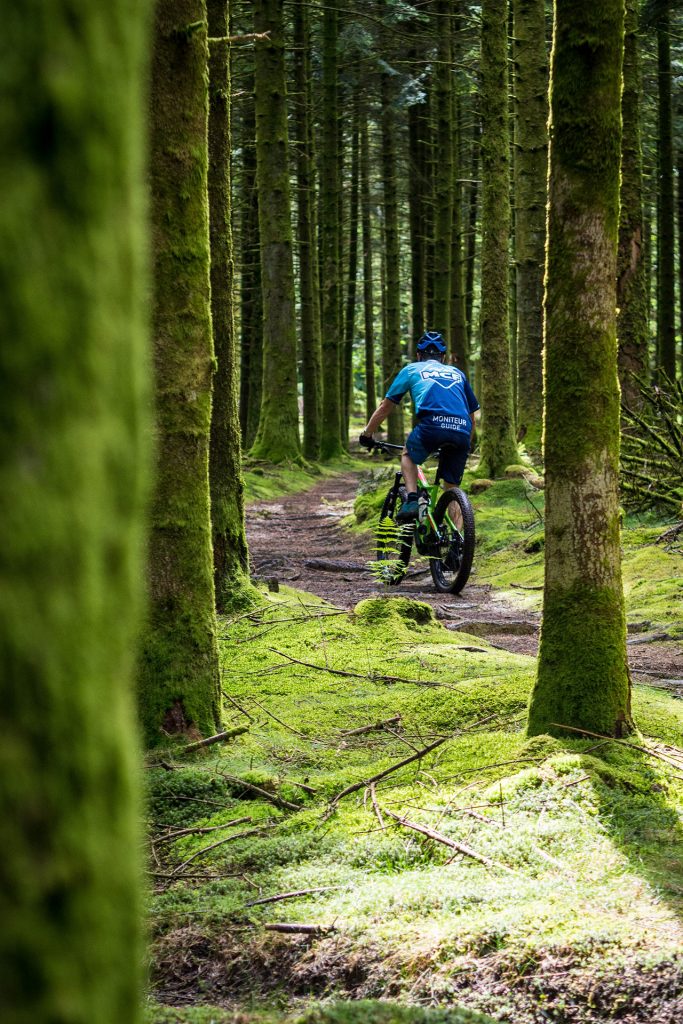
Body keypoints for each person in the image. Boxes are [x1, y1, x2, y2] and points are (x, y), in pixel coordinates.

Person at [359, 331, 479, 520]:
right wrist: (467, 442)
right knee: (452, 489)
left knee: (407, 454)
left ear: (418, 355)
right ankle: (459, 543)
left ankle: (412, 500)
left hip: (432, 426)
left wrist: (367, 434)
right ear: (444, 357)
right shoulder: (457, 373)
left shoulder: (411, 370)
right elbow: (472, 416)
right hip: (462, 430)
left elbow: (385, 407)